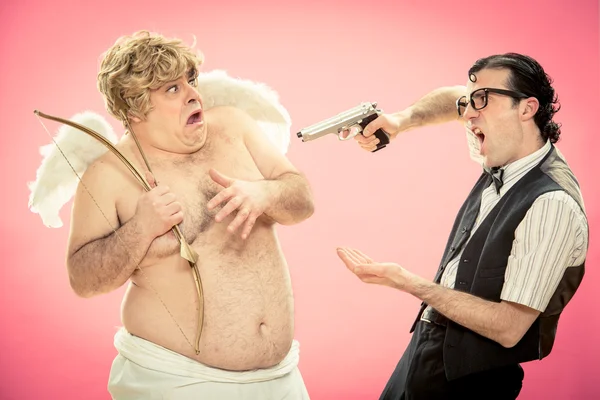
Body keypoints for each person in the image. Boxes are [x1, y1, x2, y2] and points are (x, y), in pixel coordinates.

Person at [66, 30, 314, 399]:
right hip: (175, 380)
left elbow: (302, 200)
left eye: (191, 80)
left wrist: (265, 193)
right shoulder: (108, 174)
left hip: (280, 379)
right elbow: (83, 280)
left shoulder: (233, 125)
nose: (193, 94)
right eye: (172, 89)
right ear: (134, 108)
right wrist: (141, 228)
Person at [337, 53, 589, 399]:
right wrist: (400, 121)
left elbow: (509, 328)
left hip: (469, 382)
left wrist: (408, 282)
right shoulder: (506, 150)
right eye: (470, 102)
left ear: (527, 108)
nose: (469, 112)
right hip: (425, 355)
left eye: (482, 100)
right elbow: (452, 99)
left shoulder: (551, 203)